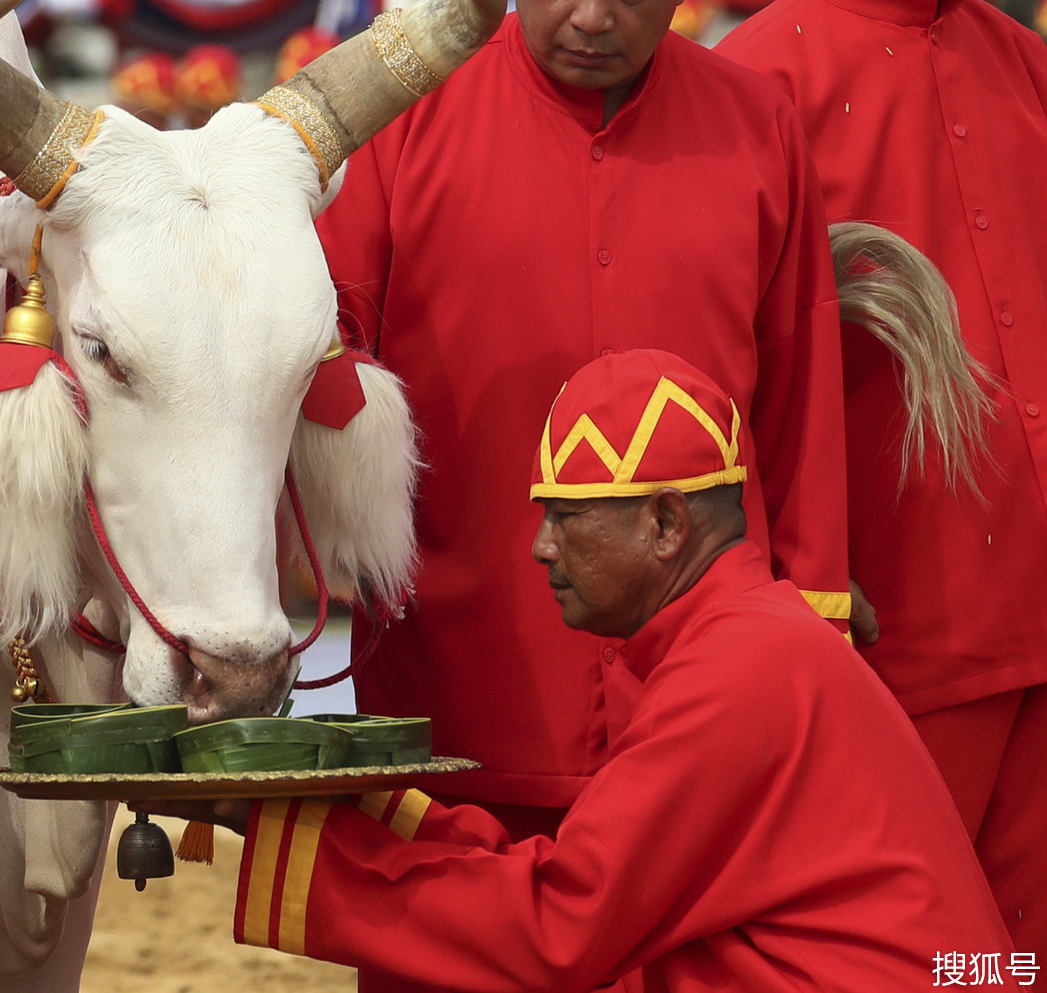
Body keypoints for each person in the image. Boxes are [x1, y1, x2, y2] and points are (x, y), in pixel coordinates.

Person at [316, 0, 852, 837]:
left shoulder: (756, 125)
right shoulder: (408, 119)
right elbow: (326, 354)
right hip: (458, 665)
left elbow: (799, 388)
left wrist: (816, 605)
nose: (594, 16)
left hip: (701, 683)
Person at [188, 351, 1006, 991]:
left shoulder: (736, 669)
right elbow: (573, 879)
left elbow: (561, 923)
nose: (543, 546)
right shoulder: (746, 636)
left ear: (665, 523)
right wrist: (325, 804)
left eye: (568, 518)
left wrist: (273, 830)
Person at [717, 0, 1047, 942]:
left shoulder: (1028, 66)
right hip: (887, 618)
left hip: (1040, 601)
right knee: (900, 948)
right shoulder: (753, 88)